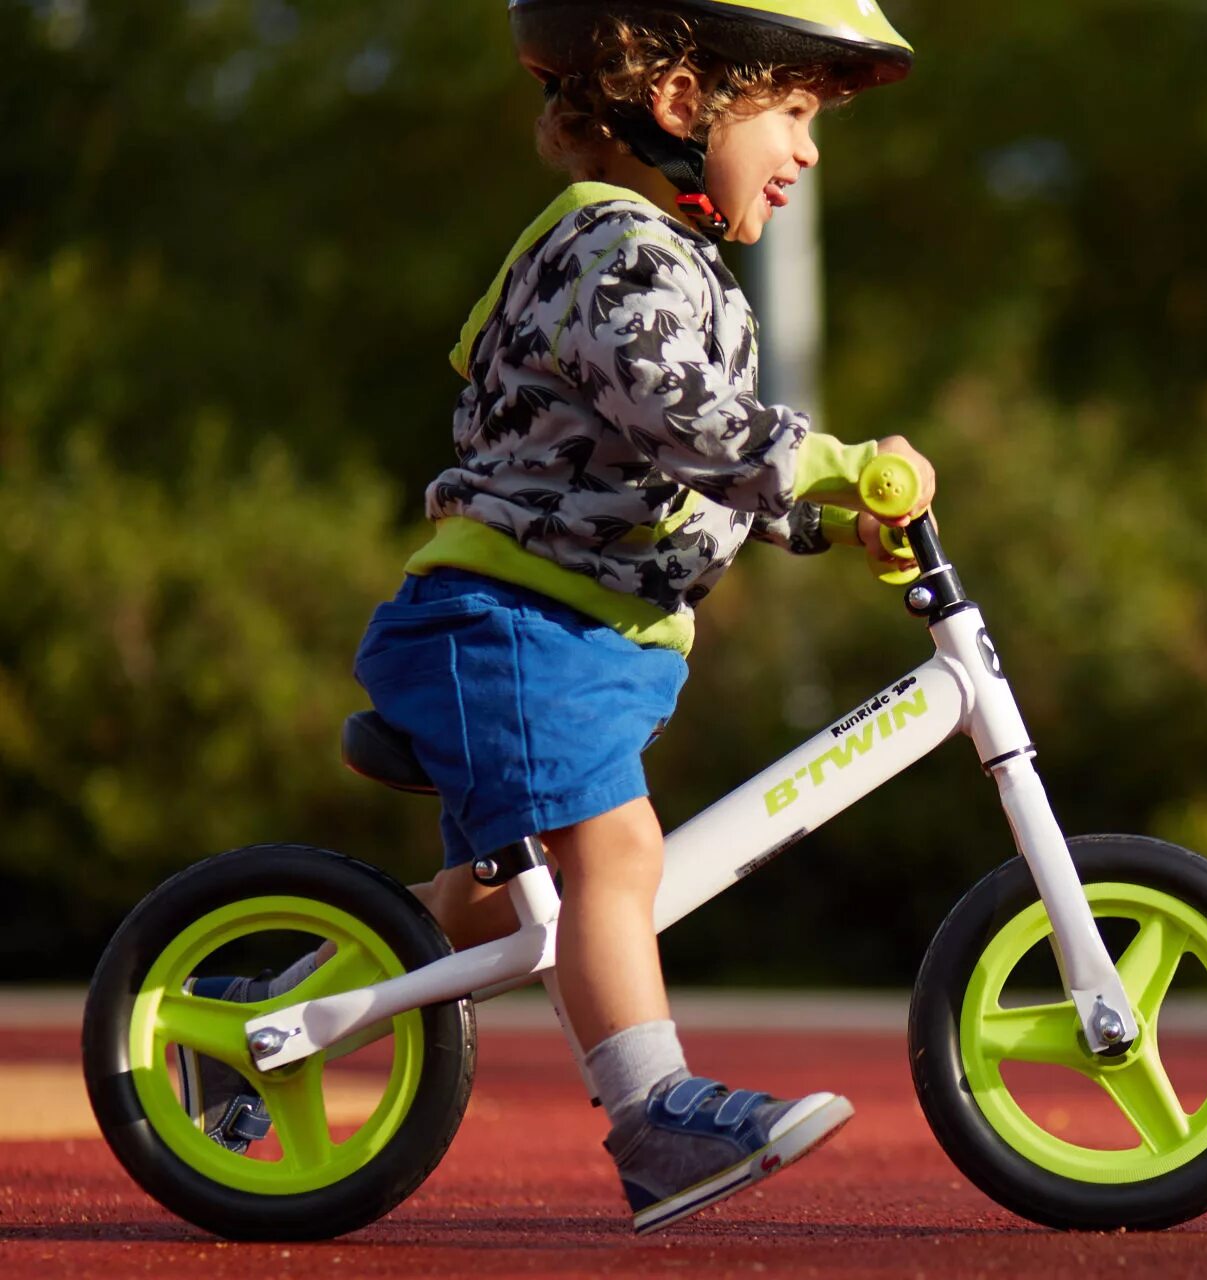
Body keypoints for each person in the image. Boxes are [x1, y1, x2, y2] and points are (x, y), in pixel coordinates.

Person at [178, 0, 933, 1237]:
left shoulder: (669, 261)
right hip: (510, 622)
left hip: (562, 634)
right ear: (684, 106)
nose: (807, 149)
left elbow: (683, 469)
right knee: (616, 854)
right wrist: (831, 464)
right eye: (791, 111)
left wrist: (817, 518)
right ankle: (657, 1118)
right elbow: (677, 414)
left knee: (496, 897)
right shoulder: (616, 249)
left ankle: (260, 1004)